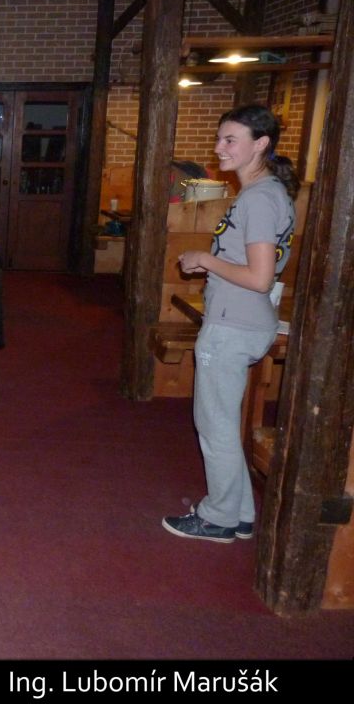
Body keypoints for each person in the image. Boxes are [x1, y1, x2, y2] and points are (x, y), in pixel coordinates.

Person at [163, 104, 297, 543]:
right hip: (245, 320)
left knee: (215, 424)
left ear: (261, 144)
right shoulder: (268, 192)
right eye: (219, 138)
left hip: (234, 324)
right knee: (221, 421)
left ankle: (217, 518)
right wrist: (211, 263)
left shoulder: (258, 198)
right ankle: (239, 512)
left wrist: (204, 258)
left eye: (230, 140)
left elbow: (259, 278)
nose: (219, 147)